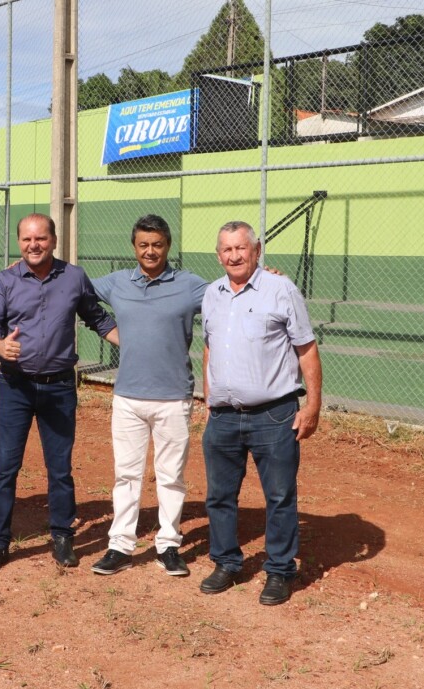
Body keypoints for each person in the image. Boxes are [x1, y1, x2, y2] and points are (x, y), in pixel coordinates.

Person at [0, 213, 118, 571]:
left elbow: (97, 317)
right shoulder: (5, 280)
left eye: (40, 239)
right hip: (15, 386)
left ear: (54, 241)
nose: (33, 245)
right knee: (6, 468)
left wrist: (133, 344)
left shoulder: (73, 277)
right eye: (26, 239)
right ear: (19, 242)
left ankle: (62, 536)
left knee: (60, 468)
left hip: (59, 388)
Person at [200, 220, 322, 605]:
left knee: (280, 496)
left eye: (241, 248)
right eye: (227, 249)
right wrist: (208, 400)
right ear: (218, 255)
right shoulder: (211, 294)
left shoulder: (280, 288)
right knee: (219, 497)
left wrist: (314, 406)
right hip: (222, 417)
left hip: (274, 415)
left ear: (255, 251)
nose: (234, 255)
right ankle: (226, 563)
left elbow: (306, 348)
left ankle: (280, 570)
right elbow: (208, 348)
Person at [88, 214, 207, 577]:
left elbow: (230, 290)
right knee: (127, 474)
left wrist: (268, 278)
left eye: (157, 244)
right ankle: (120, 544)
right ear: (134, 247)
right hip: (128, 397)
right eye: (143, 245)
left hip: (173, 397)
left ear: (167, 246)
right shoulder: (118, 283)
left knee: (170, 475)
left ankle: (168, 544)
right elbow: (71, 288)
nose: (150, 251)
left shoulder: (190, 285)